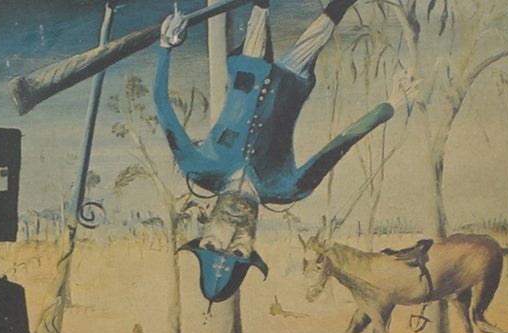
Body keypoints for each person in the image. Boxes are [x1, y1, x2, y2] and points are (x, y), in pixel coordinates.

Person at [155, 0, 392, 302]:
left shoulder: (198, 169)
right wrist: (389, 106)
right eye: (238, 250)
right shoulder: (288, 189)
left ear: (204, 233)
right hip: (292, 82)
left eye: (215, 245)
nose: (230, 234)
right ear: (252, 247)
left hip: (247, 69)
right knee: (329, 18)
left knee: (259, 13)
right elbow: (340, 144)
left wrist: (166, 46)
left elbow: (162, 106)